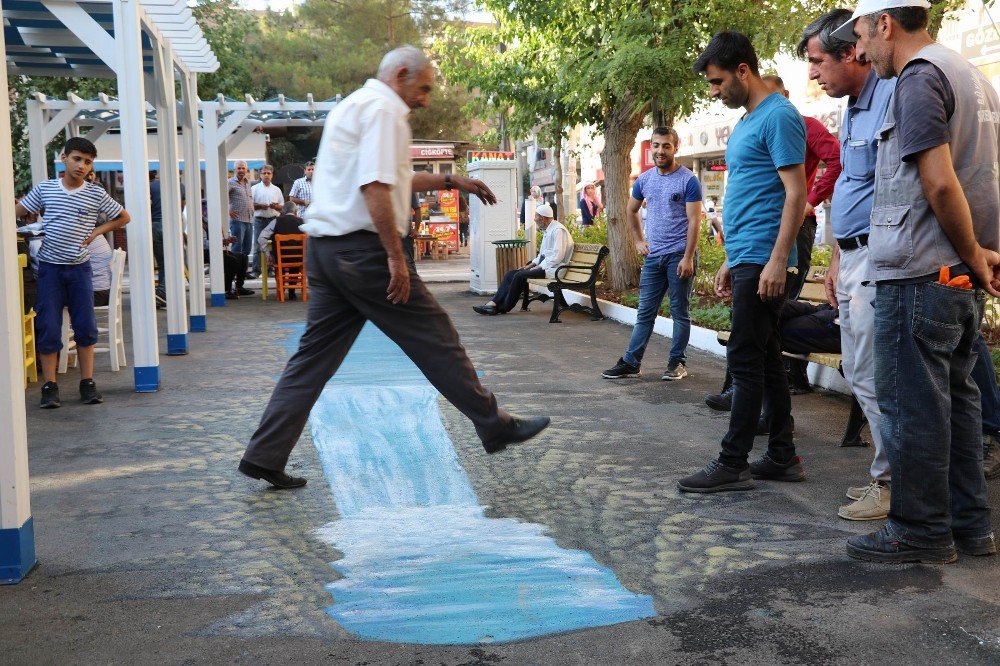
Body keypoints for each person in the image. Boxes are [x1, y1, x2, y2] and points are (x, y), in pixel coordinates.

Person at [238, 46, 550, 490]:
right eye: (423, 88)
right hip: (363, 254)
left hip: (326, 251)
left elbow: (393, 176)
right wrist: (395, 257)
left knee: (311, 360)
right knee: (436, 338)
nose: (425, 99)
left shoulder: (354, 105)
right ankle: (493, 423)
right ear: (401, 75)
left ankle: (263, 454)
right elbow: (376, 187)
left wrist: (449, 180)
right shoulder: (385, 111)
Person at [836, 0, 1000, 563]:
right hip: (954, 275)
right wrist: (978, 254)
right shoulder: (971, 76)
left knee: (914, 410)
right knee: (958, 404)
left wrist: (975, 253)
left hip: (919, 271)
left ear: (885, 23)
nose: (859, 50)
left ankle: (920, 530)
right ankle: (969, 528)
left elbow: (940, 183)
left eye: (861, 34)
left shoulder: (919, 77)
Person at [678, 31, 807, 493]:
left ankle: (733, 462)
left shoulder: (780, 116)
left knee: (745, 358)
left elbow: (797, 193)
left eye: (716, 83)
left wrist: (776, 261)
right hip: (749, 254)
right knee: (767, 358)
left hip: (767, 258)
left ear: (743, 71)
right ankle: (781, 455)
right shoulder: (751, 119)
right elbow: (749, 194)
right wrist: (734, 256)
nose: (714, 92)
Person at [796, 9, 896, 521]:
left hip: (882, 262)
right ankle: (885, 478)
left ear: (851, 51)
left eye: (817, 62)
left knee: (877, 374)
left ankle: (892, 484)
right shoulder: (854, 107)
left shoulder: (889, 96)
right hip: (854, 259)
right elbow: (851, 190)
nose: (814, 74)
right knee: (860, 370)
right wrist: (837, 258)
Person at [15, 137, 131, 408]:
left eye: (87, 161)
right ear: (64, 158)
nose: (81, 165)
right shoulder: (46, 189)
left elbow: (124, 217)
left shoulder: (95, 193)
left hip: (80, 269)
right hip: (50, 270)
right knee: (49, 327)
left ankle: (87, 383)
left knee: (85, 326)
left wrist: (95, 233)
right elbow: (17, 211)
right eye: (77, 158)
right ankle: (50, 386)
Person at [602, 127, 702, 382]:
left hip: (679, 255)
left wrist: (688, 257)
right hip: (654, 257)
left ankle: (676, 363)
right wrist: (638, 241)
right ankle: (631, 362)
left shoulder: (688, 180)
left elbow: (694, 221)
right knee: (645, 312)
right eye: (656, 145)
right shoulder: (645, 179)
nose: (660, 151)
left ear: (675, 148)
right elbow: (631, 210)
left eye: (666, 146)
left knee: (680, 311)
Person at [761, 75, 842, 300]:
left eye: (772, 97)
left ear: (786, 95)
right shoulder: (758, 129)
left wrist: (810, 201)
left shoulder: (807, 125)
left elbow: (838, 160)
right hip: (765, 223)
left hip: (797, 221)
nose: (767, 104)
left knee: (785, 299)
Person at [472, 203, 572, 315]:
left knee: (519, 276)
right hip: (548, 267)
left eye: (536, 217)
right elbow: (543, 255)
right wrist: (530, 265)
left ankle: (503, 307)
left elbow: (557, 256)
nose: (535, 220)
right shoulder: (548, 230)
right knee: (510, 274)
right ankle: (494, 303)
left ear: (542, 218)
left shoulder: (558, 230)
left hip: (555, 269)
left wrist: (539, 266)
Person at [149, 170, 187, 305]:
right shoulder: (181, 186)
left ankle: (163, 296)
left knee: (162, 263)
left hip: (154, 227)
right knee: (174, 261)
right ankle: (163, 292)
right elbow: (182, 207)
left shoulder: (151, 186)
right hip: (171, 226)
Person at [258, 201, 306, 301]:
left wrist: (268, 254)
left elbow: (261, 238)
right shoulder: (302, 222)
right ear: (295, 212)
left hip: (281, 259)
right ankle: (292, 293)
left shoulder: (276, 221)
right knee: (296, 260)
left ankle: (281, 291)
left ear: (283, 211)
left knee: (279, 261)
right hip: (299, 258)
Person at [250, 164, 284, 278]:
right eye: (264, 173)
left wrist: (275, 206)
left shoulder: (277, 189)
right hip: (260, 220)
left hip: (273, 220)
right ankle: (256, 270)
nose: (266, 175)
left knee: (273, 245)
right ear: (260, 175)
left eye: (268, 173)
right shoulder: (254, 188)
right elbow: (250, 205)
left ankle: (271, 269)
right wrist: (259, 206)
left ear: (272, 175)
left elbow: (282, 207)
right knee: (258, 245)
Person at [227, 160, 255, 288]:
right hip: (238, 221)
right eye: (239, 168)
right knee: (236, 251)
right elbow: (222, 197)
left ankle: (240, 284)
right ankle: (231, 284)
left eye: (243, 168)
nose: (241, 170)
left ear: (246, 170)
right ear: (234, 170)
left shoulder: (248, 183)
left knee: (246, 251)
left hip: (249, 220)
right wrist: (228, 211)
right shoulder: (230, 182)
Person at [89, 233, 113, 307]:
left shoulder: (80, 235)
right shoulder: (94, 234)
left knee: (55, 297)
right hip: (104, 292)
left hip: (96, 294)